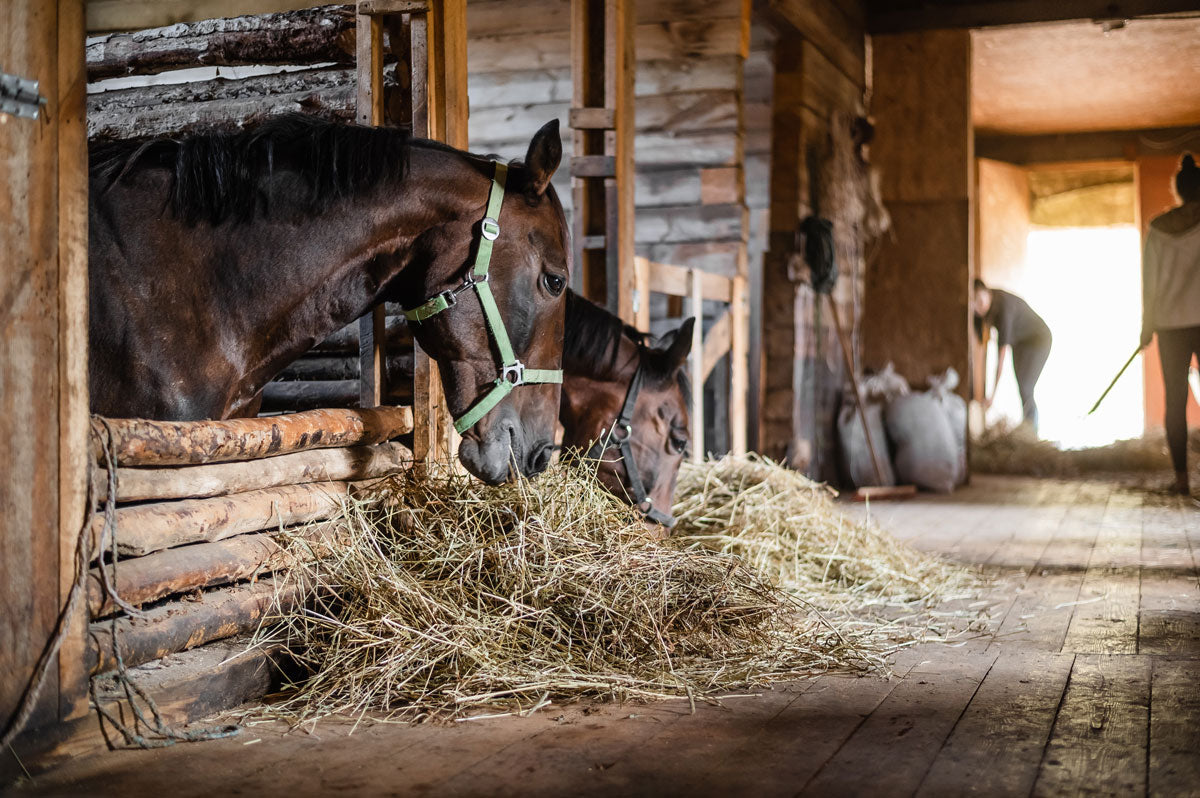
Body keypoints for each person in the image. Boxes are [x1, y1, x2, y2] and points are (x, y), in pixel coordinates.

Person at [1141, 153, 1200, 495]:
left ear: (1178, 191)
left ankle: (1181, 479)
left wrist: (1147, 325)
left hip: (1171, 324)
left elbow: (1150, 285)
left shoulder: (1158, 229)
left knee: (1175, 402)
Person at [973, 279, 1053, 432]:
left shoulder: (1003, 308)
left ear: (986, 291)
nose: (978, 307)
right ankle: (1027, 426)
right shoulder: (988, 304)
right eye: (973, 304)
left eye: (979, 300)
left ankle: (1031, 431)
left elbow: (1001, 358)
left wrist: (992, 396)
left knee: (1026, 386)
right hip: (1021, 343)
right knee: (1022, 385)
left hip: (1038, 340)